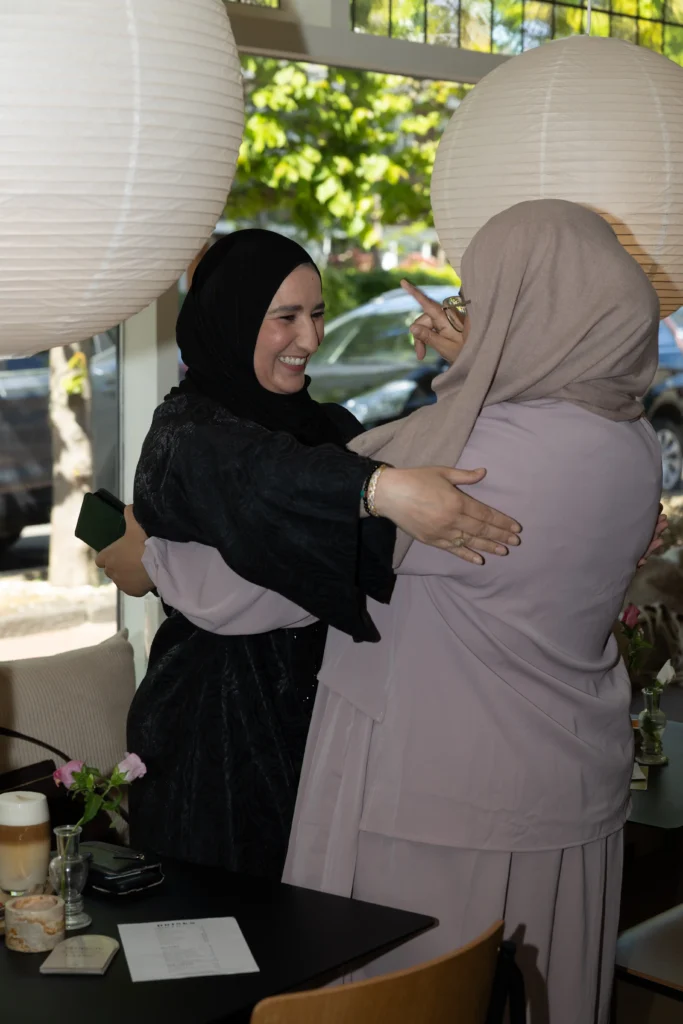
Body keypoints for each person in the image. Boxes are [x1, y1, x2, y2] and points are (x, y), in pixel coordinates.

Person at [105, 199, 665, 1023]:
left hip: (441, 796)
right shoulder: (632, 444)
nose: (306, 337)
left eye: (488, 301)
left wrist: (143, 558)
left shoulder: (448, 454)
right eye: (282, 315)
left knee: (416, 988)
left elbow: (245, 589)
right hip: (554, 782)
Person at [103, 228, 521, 878]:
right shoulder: (186, 436)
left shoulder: (325, 426)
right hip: (212, 737)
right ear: (233, 319)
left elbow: (432, 467)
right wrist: (373, 489)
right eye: (286, 317)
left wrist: (476, 375)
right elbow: (261, 477)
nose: (311, 338)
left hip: (327, 724)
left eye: (318, 313)